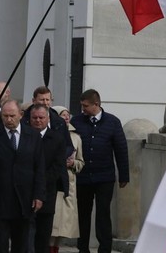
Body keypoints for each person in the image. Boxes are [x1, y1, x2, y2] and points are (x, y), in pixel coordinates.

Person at [0, 100, 45, 253]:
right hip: (0, 198)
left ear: (21, 115)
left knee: (21, 244)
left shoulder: (33, 136)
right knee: (0, 243)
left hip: (25, 200)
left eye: (12, 116)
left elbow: (39, 169)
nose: (9, 119)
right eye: (5, 116)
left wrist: (39, 195)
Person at [70, 89, 128, 253]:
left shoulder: (112, 122)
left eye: (86, 106)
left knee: (103, 213)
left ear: (96, 104)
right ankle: (83, 248)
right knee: (83, 214)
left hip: (104, 177)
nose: (83, 109)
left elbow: (121, 149)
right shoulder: (77, 121)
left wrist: (124, 175)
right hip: (83, 177)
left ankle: (105, 249)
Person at [29, 105, 67, 253]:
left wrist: (39, 182)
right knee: (26, 235)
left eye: (41, 118)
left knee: (43, 236)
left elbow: (58, 167)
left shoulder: (57, 139)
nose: (38, 121)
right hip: (25, 191)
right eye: (35, 118)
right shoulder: (24, 136)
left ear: (48, 119)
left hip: (47, 193)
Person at [50, 106, 83, 253]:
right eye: (62, 115)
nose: (66, 117)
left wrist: (73, 163)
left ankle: (55, 249)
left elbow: (81, 162)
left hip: (68, 185)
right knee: (51, 225)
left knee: (63, 227)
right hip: (53, 183)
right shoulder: (51, 134)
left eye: (68, 115)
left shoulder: (76, 137)